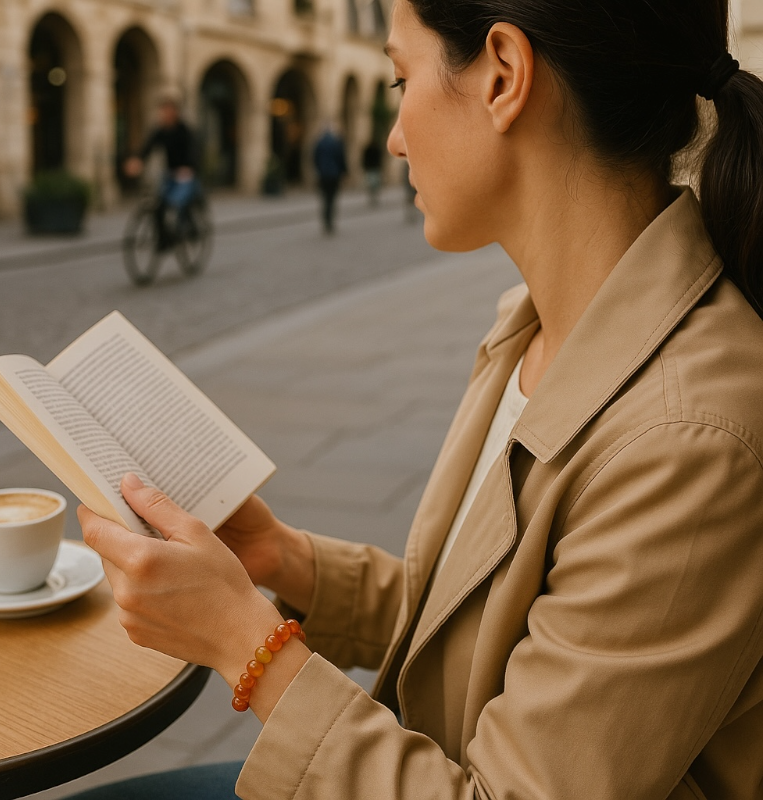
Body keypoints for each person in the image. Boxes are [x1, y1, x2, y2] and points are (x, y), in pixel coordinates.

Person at [74, 0, 763, 797]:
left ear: (503, 75)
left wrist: (247, 646)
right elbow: (483, 628)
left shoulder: (689, 439)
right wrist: (285, 560)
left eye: (401, 78)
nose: (394, 135)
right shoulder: (532, 322)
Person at [124, 95, 201, 249]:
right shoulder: (160, 131)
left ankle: (190, 227)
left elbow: (195, 151)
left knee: (180, 201)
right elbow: (147, 148)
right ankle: (163, 240)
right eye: (163, 111)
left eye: (168, 111)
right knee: (158, 205)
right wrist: (137, 160)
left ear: (175, 112)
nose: (165, 115)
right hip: (170, 174)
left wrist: (189, 167)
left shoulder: (184, 131)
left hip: (186, 175)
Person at [312, 125, 347, 234]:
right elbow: (341, 157)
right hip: (334, 174)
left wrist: (318, 169)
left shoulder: (319, 143)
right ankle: (330, 220)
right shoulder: (336, 143)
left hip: (323, 174)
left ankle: (325, 219)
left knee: (325, 197)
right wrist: (344, 171)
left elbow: (314, 157)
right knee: (332, 198)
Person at [362, 139, 384, 206]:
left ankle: (373, 194)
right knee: (374, 183)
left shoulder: (369, 149)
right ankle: (373, 194)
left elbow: (364, 159)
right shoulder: (374, 149)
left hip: (372, 168)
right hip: (374, 168)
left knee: (372, 183)